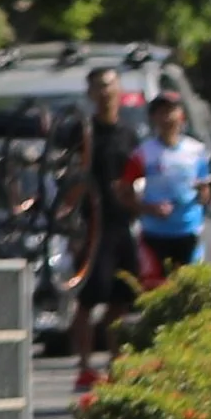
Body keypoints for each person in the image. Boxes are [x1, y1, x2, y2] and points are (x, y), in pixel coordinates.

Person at [71, 66, 139, 390]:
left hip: (122, 224)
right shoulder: (82, 132)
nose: (105, 92)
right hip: (92, 227)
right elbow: (68, 179)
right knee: (88, 300)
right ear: (90, 93)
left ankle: (116, 362)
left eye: (110, 86)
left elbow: (137, 176)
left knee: (120, 299)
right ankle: (84, 365)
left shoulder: (128, 133)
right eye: (98, 87)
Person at [124, 92, 211, 281]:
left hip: (189, 232)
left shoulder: (196, 151)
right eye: (161, 112)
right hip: (154, 234)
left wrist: (202, 193)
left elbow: (205, 191)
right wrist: (148, 208)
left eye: (172, 111)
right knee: (155, 289)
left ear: (181, 115)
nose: (167, 118)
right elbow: (125, 191)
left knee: (190, 288)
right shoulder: (143, 153)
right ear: (153, 118)